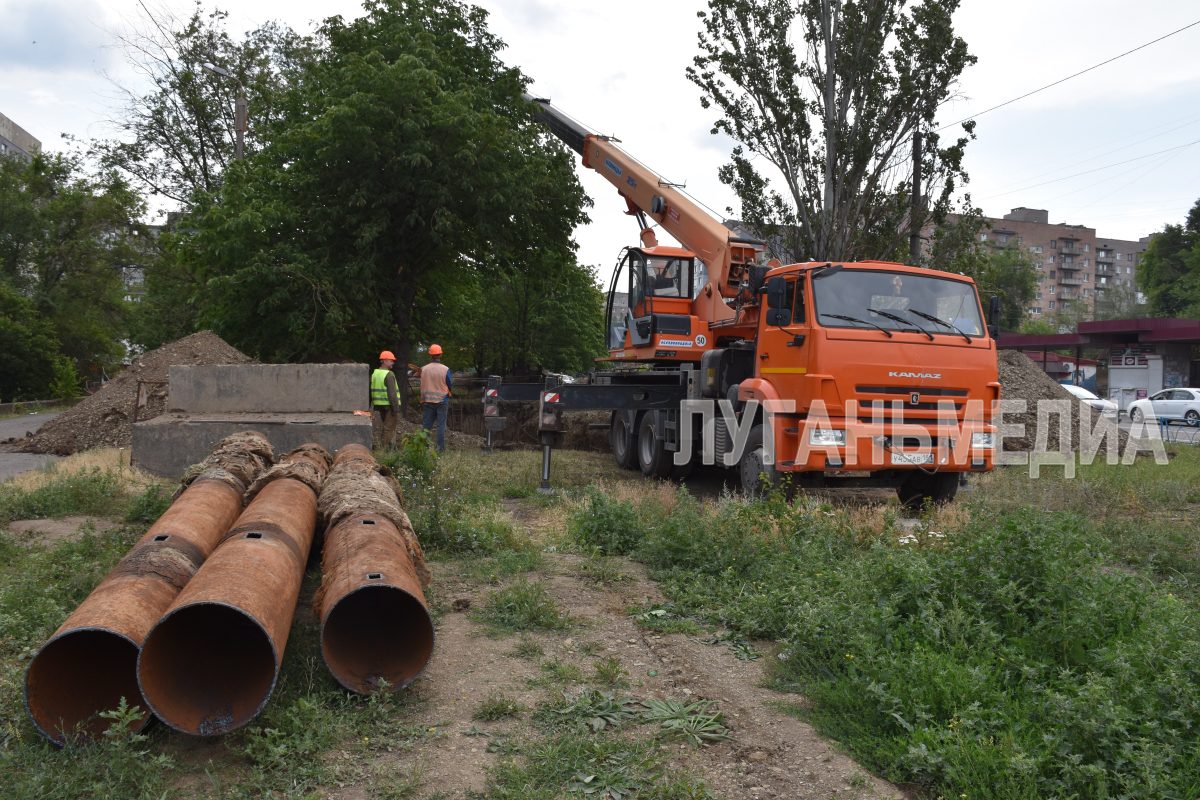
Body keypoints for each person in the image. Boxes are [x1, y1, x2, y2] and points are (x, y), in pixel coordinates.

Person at [420, 344, 452, 452]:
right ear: (440, 354)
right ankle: (440, 450)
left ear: (430, 355)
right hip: (442, 400)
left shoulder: (424, 369)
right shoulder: (445, 369)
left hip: (427, 400)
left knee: (426, 426)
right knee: (441, 426)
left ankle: (424, 448)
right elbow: (449, 383)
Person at [370, 350, 402, 449]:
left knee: (386, 427)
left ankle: (390, 448)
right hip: (389, 405)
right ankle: (383, 451)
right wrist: (396, 409)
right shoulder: (389, 374)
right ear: (384, 361)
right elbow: (392, 394)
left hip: (379, 405)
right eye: (391, 360)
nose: (393, 363)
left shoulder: (375, 373)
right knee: (388, 429)